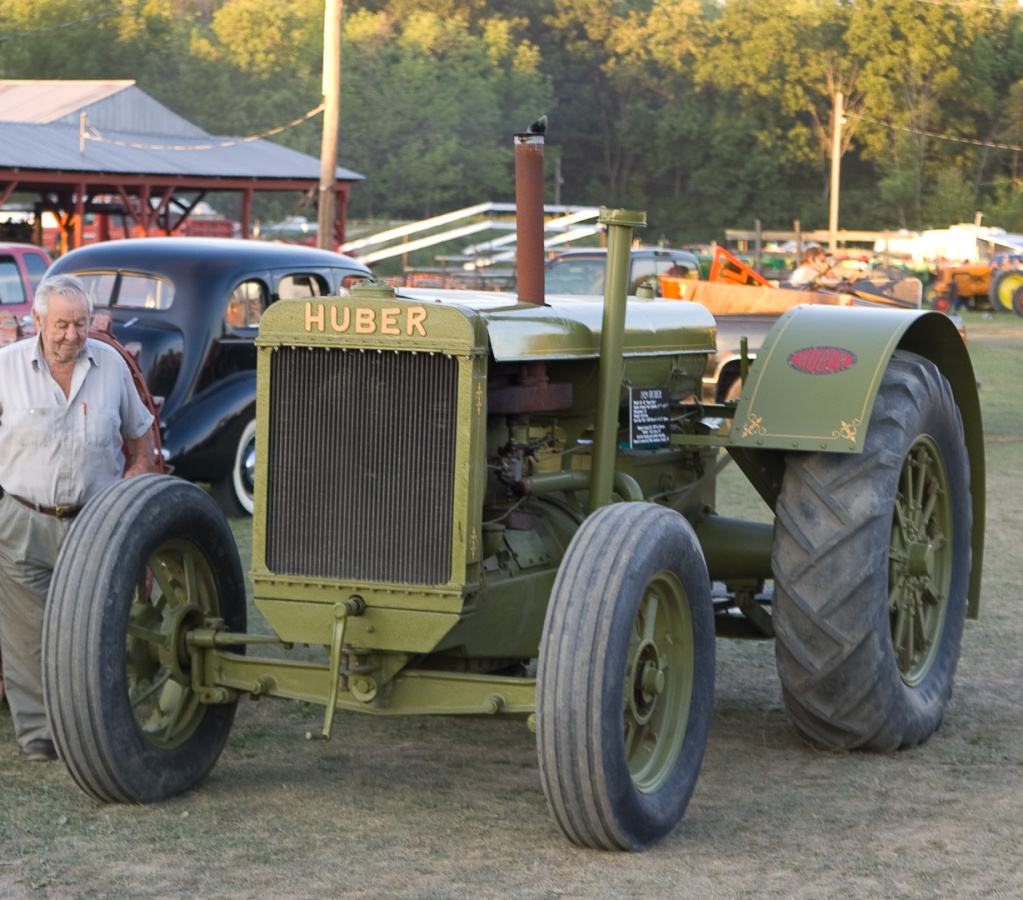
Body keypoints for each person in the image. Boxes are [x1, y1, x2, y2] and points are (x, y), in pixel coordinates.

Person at [0, 274, 156, 762]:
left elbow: (142, 437)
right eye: (62, 325)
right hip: (23, 519)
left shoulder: (111, 365)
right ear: (38, 321)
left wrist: (133, 481)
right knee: (26, 635)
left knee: (95, 630)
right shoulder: (5, 368)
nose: (72, 335)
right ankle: (39, 735)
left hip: (96, 522)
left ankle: (92, 724)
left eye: (81, 324)